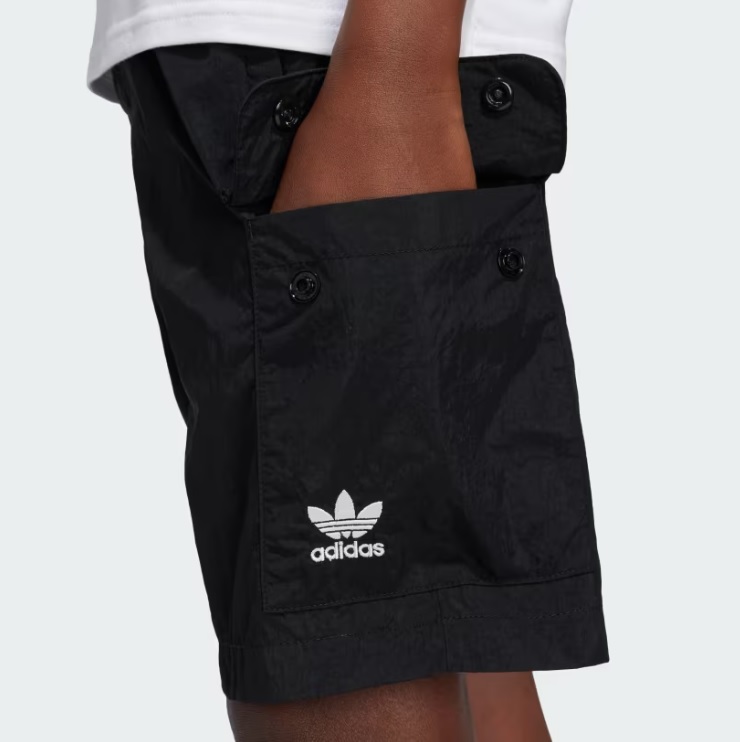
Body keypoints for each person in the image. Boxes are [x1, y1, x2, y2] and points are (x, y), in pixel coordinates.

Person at [88, 0, 608, 739]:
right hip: (294, 65)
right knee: (440, 637)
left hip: (327, 64)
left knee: (342, 645)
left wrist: (397, 58)